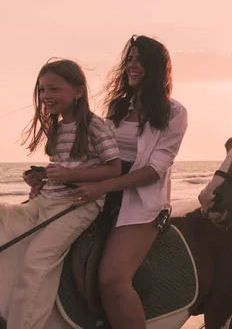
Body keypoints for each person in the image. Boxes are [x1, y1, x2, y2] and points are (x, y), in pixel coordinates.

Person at [67, 35, 188, 329]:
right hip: (103, 194)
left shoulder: (174, 112)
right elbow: (97, 155)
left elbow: (155, 169)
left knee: (112, 280)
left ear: (156, 66)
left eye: (138, 59)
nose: (131, 65)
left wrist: (103, 186)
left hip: (142, 203)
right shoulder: (118, 107)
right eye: (129, 59)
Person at [8, 59, 121, 329]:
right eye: (42, 90)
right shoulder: (57, 128)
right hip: (49, 199)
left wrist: (70, 176)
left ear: (78, 92)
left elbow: (114, 168)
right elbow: (65, 168)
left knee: (36, 262)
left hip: (79, 204)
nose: (46, 96)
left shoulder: (95, 126)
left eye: (54, 89)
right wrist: (40, 179)